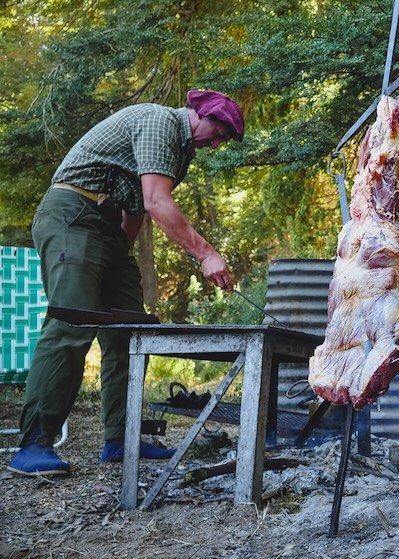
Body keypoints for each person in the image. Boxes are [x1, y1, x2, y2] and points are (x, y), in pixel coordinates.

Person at [6, 90, 245, 476]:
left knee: (133, 330)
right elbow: (156, 202)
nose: (216, 143)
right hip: (73, 214)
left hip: (108, 229)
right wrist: (206, 253)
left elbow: (135, 208)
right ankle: (33, 445)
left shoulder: (180, 153)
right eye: (217, 131)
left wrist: (121, 254)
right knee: (72, 324)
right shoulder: (159, 123)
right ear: (197, 113)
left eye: (223, 139)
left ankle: (120, 439)